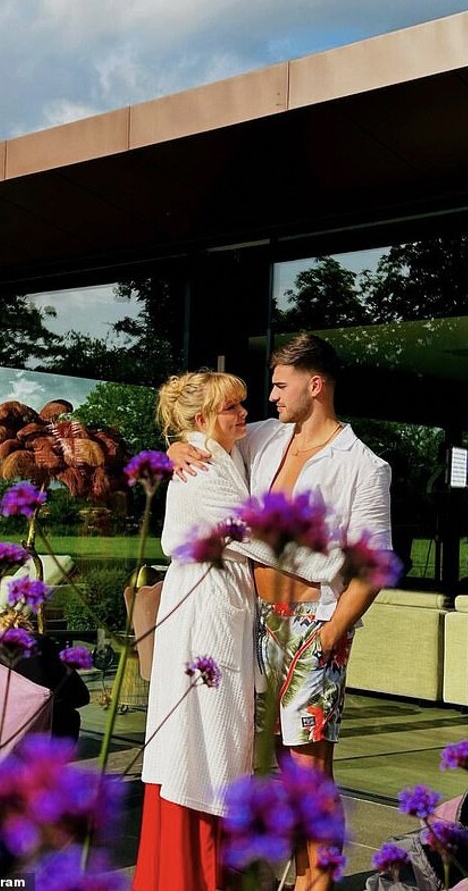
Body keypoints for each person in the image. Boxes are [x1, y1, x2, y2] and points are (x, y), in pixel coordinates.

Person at [170, 334, 393, 891]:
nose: (269, 396)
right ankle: (300, 876)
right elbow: (205, 433)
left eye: (278, 385)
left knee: (310, 767)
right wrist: (176, 447)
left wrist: (331, 633)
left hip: (313, 624)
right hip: (256, 621)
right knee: (280, 760)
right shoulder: (265, 437)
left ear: (313, 385)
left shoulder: (363, 465)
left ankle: (316, 884)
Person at [133, 371, 258, 891]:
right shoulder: (203, 465)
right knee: (203, 743)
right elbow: (256, 533)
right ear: (204, 418)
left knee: (205, 743)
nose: (245, 413)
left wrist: (173, 444)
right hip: (204, 616)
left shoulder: (222, 449)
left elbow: (285, 427)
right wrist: (327, 564)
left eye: (244, 403)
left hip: (213, 607)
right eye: (232, 407)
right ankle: (191, 878)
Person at [0, 609, 90, 742]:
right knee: (68, 715)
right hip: (50, 728)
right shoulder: (42, 645)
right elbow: (81, 696)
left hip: (7, 732)